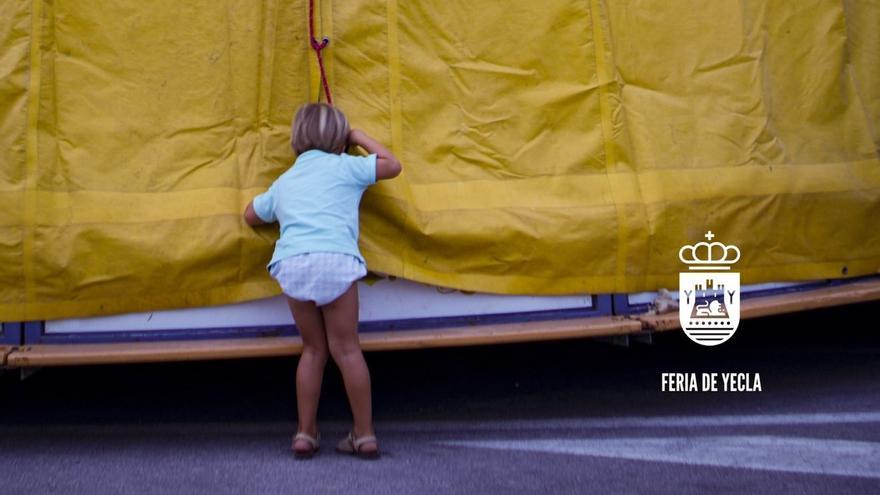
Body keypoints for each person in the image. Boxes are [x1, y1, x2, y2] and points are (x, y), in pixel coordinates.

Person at [243, 103, 402, 460]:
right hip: (336, 261)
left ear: (296, 138)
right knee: (347, 350)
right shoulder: (348, 167)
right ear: (340, 138)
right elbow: (393, 165)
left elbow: (251, 216)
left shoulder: (286, 181)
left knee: (313, 350)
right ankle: (364, 435)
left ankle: (305, 432)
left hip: (294, 263)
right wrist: (357, 136)